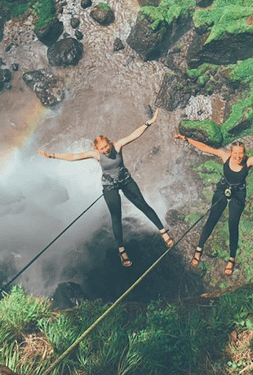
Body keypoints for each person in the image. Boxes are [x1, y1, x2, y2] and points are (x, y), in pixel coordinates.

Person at [39, 109, 173, 267]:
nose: (106, 150)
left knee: (143, 205)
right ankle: (122, 251)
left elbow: (134, 135)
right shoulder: (96, 155)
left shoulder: (117, 146)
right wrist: (52, 155)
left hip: (126, 180)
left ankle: (163, 232)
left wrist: (149, 122)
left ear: (110, 142)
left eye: (106, 146)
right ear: (97, 149)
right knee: (116, 216)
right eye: (102, 148)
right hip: (109, 186)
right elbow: (74, 157)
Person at [175, 135, 253, 276]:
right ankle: (199, 249)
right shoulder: (225, 157)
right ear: (231, 152)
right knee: (212, 219)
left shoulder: (249, 161)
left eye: (240, 153)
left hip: (238, 194)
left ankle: (231, 258)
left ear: (244, 152)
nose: (238, 156)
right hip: (222, 190)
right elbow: (206, 148)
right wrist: (187, 139)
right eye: (235, 153)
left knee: (233, 224)